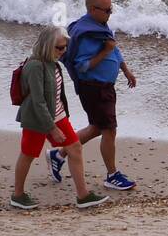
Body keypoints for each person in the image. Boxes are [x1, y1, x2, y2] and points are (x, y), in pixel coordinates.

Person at [11, 25, 108, 210]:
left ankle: (83, 195)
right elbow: (38, 102)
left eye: (65, 47)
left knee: (75, 148)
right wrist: (51, 128)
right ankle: (17, 195)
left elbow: (55, 95)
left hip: (57, 115)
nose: (63, 51)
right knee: (28, 154)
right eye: (59, 48)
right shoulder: (35, 66)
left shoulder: (53, 63)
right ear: (47, 45)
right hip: (37, 119)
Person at [50, 0, 137, 190]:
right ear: (92, 9)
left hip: (105, 87)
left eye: (111, 9)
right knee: (109, 129)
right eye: (106, 10)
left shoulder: (100, 26)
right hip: (93, 87)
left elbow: (113, 48)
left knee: (98, 127)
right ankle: (112, 175)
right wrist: (105, 51)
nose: (110, 14)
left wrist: (126, 70)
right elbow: (81, 66)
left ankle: (59, 154)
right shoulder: (85, 33)